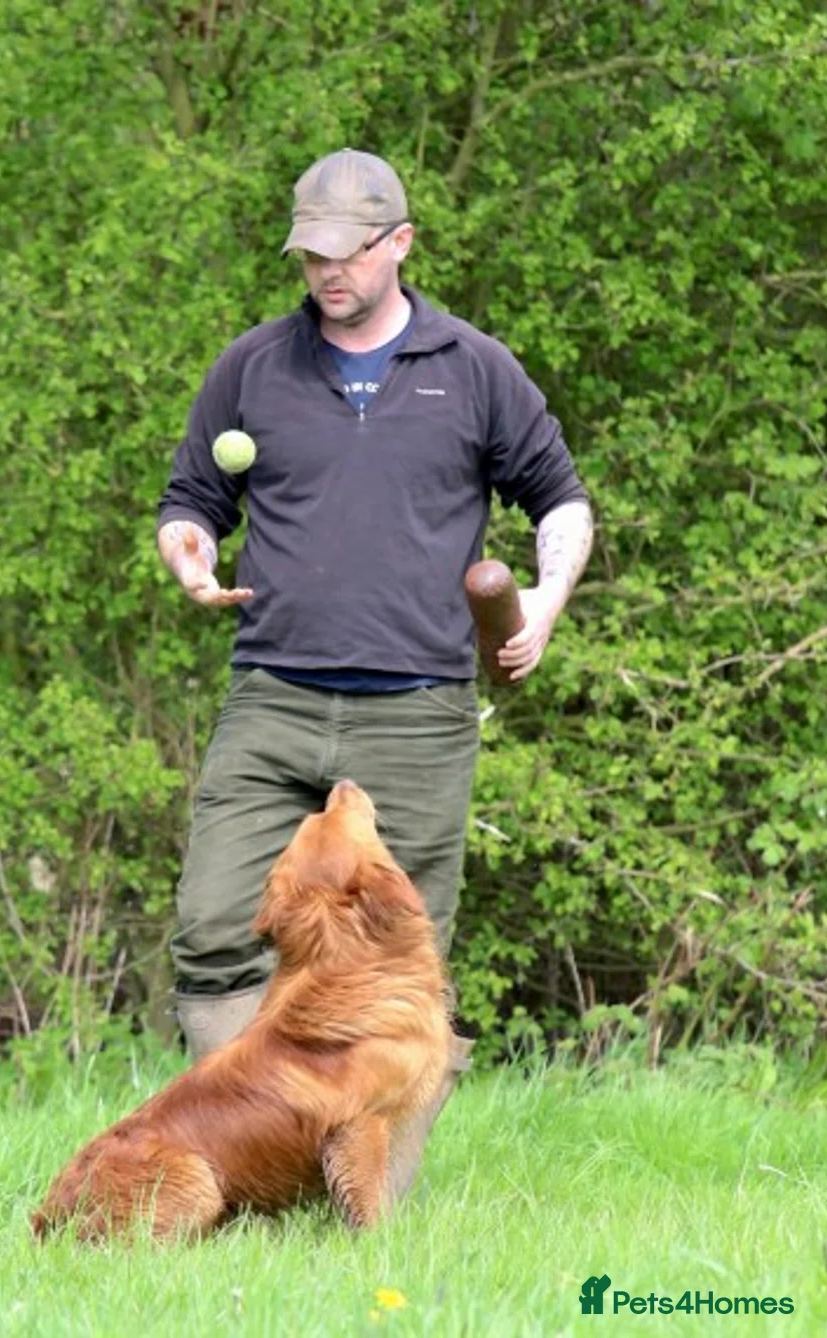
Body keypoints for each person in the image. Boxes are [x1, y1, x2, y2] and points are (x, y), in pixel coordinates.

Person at [155, 148, 593, 1197]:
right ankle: (257, 1167)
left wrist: (544, 598)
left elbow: (562, 501)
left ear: (398, 244)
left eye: (344, 255)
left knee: (402, 976)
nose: (324, 276)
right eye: (308, 258)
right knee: (216, 935)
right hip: (272, 696)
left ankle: (370, 1211)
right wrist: (188, 554)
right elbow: (189, 503)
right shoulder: (253, 366)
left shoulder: (476, 368)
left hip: (419, 713)